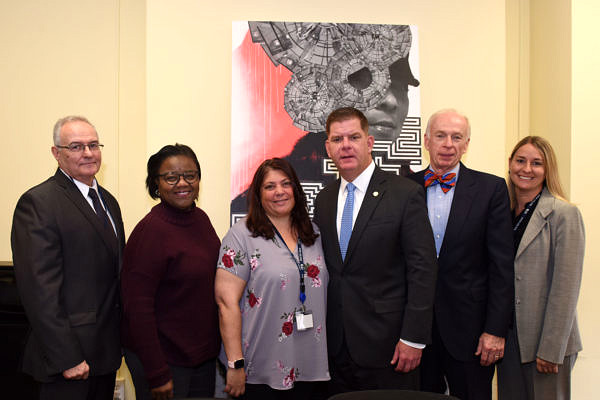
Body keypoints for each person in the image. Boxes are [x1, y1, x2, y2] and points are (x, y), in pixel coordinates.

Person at [313, 107, 437, 395]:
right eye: (337, 139)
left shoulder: (404, 193)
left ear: (369, 142)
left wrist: (414, 338)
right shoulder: (324, 199)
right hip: (336, 346)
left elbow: (423, 269)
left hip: (390, 347)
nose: (346, 145)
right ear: (328, 147)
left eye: (353, 137)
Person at [11, 116, 125, 400]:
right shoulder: (39, 203)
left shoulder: (109, 201)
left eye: (93, 145)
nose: (88, 153)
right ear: (56, 153)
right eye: (76, 147)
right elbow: (39, 291)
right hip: (67, 362)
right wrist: (67, 357)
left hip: (105, 356)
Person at [408, 109, 514, 400]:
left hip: (472, 332)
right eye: (440, 136)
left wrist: (495, 330)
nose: (448, 144)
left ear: (466, 144)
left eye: (457, 137)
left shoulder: (491, 189)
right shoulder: (405, 188)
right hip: (417, 333)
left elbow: (501, 267)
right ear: (426, 140)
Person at [215, 158, 329, 400]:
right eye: (270, 186)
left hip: (311, 365)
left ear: (296, 189)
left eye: (286, 184)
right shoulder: (241, 235)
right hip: (260, 365)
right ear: (258, 194)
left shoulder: (314, 233)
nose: (279, 192)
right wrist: (235, 364)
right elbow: (226, 303)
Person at [121, 144, 220, 400]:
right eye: (171, 177)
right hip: (164, 363)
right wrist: (157, 373)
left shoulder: (201, 220)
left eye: (190, 175)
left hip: (201, 359)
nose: (182, 183)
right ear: (156, 184)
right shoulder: (150, 232)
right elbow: (138, 309)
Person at [497, 136, 584, 400]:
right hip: (509, 340)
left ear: (548, 170)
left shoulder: (563, 214)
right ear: (510, 163)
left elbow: (565, 288)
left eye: (537, 163)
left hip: (546, 342)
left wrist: (551, 348)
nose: (526, 169)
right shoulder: (503, 211)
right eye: (520, 161)